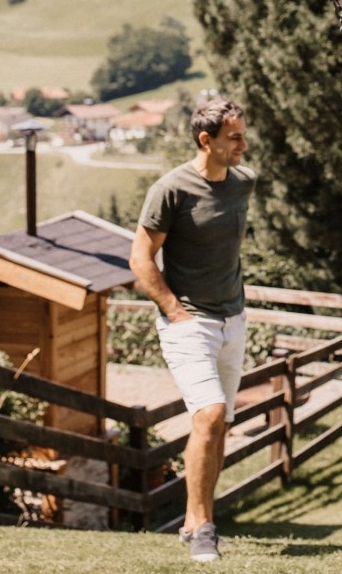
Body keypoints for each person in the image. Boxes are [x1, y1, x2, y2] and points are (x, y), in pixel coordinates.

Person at [129, 96, 255, 563]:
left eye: (243, 133)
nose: (244, 143)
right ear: (207, 141)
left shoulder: (244, 182)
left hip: (234, 320)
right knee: (208, 414)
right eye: (235, 137)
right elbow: (140, 258)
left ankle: (189, 520)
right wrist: (172, 308)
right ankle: (204, 528)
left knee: (220, 425)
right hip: (189, 323)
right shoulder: (172, 189)